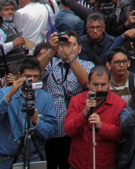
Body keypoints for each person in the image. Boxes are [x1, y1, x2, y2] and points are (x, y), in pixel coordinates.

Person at [0, 56, 58, 169]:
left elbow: (51, 132)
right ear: (19, 75)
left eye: (35, 76)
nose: (32, 80)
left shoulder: (45, 98)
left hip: (34, 157)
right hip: (6, 159)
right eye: (28, 76)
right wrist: (9, 96)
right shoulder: (2, 93)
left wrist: (36, 122)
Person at [38, 31, 95, 169]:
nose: (68, 47)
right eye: (64, 44)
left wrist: (70, 56)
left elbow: (85, 81)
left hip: (75, 129)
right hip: (51, 129)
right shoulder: (51, 63)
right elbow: (35, 69)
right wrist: (52, 49)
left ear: (79, 49)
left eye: (72, 45)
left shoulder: (87, 65)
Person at [64, 65, 126, 169]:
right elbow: (69, 130)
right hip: (78, 165)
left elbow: (121, 135)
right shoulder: (76, 101)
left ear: (109, 84)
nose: (99, 89)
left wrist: (102, 127)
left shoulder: (119, 103)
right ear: (88, 84)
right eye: (95, 85)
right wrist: (84, 113)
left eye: (103, 85)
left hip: (106, 165)